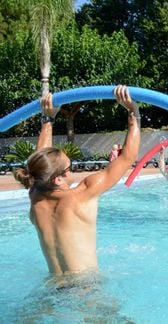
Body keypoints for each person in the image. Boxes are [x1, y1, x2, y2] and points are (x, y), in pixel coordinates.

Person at [13, 85, 141, 275]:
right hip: (86, 290)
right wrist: (133, 112)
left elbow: (41, 159)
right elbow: (127, 157)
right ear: (58, 179)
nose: (72, 169)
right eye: (69, 167)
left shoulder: (35, 194)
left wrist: (47, 119)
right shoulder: (83, 194)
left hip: (54, 287)